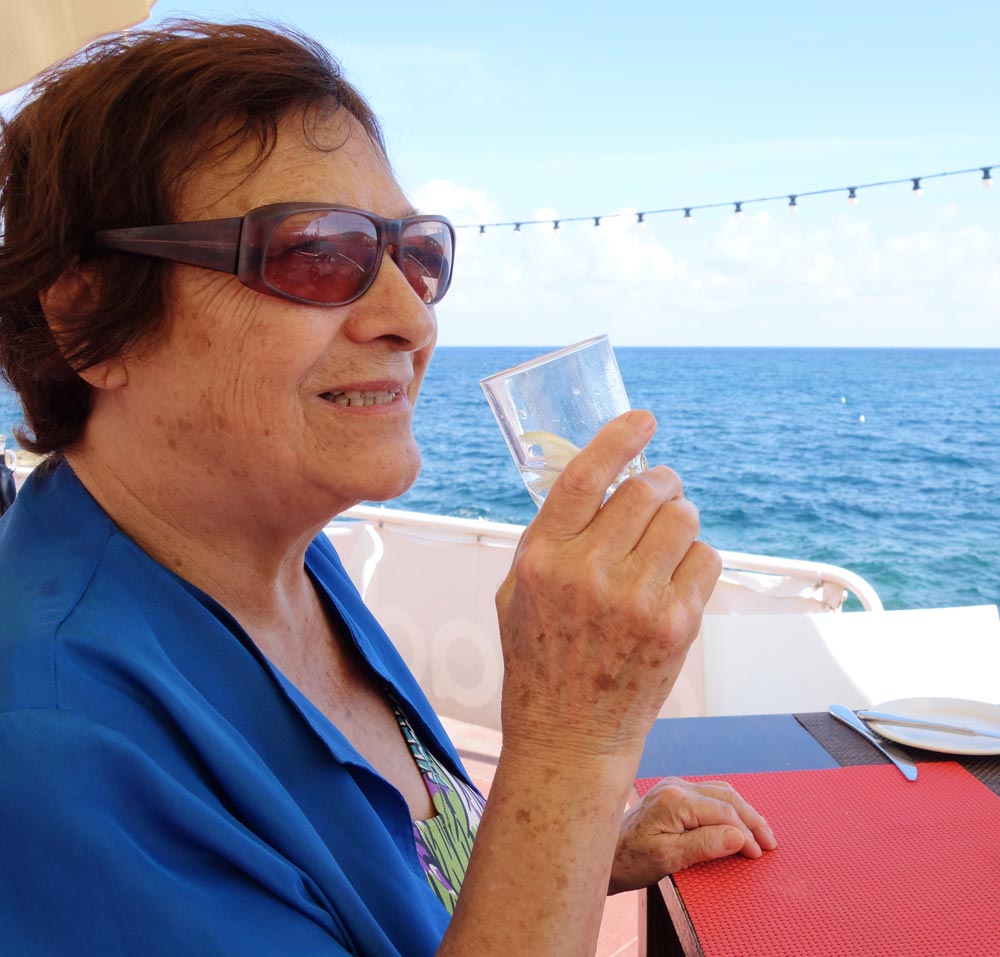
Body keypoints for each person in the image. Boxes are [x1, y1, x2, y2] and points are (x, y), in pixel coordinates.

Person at [0, 21, 775, 956]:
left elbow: (366, 886)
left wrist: (586, 846)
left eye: (418, 256)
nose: (413, 318)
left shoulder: (283, 561)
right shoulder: (53, 746)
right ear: (90, 321)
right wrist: (573, 746)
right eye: (316, 253)